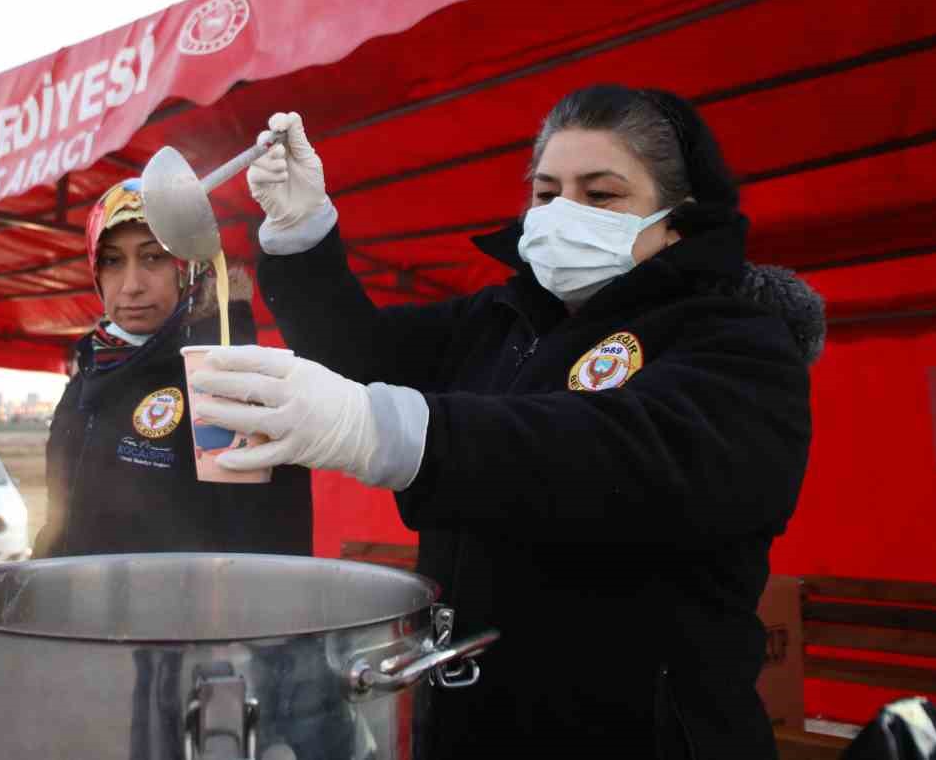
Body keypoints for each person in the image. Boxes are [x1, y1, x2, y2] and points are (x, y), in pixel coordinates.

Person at [191, 87, 822, 758]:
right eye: (547, 194)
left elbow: (625, 456)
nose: (563, 214)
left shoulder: (738, 342)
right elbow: (359, 357)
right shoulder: (500, 319)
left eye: (601, 195)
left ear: (678, 223)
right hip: (474, 722)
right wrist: (301, 233)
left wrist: (393, 432)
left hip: (646, 734)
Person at [32, 179, 312, 559]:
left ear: (189, 266)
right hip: (73, 612)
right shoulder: (89, 374)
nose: (131, 286)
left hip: (179, 615)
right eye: (112, 261)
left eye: (153, 257)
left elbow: (261, 557)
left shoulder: (228, 377)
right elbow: (57, 523)